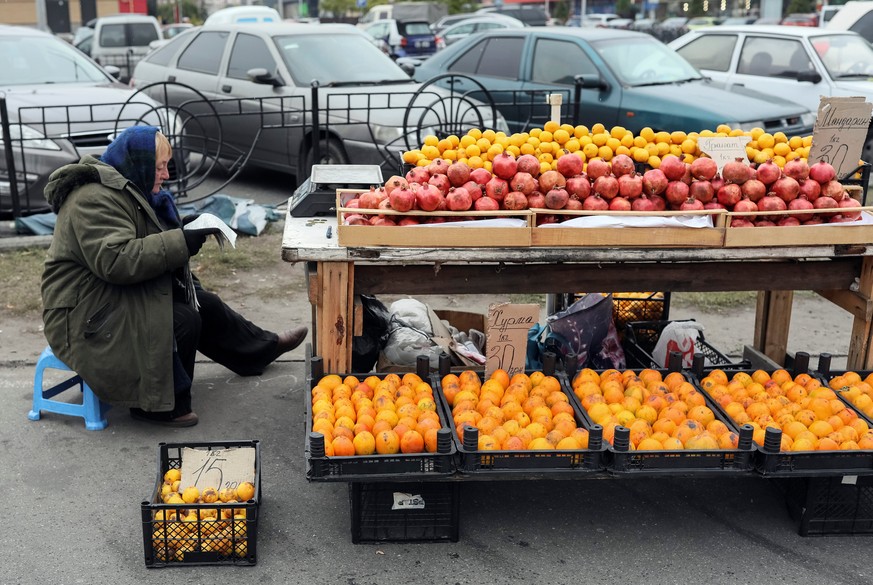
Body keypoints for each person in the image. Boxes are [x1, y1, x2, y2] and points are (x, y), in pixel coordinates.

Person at [40, 125, 307, 427]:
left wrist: (183, 231)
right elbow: (116, 261)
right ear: (137, 164)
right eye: (160, 167)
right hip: (84, 316)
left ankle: (259, 351)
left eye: (167, 165)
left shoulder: (128, 191)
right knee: (181, 319)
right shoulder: (92, 198)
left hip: (107, 297)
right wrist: (181, 241)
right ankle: (157, 405)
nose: (166, 175)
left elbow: (140, 246)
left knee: (204, 303)